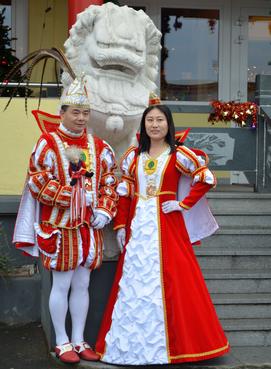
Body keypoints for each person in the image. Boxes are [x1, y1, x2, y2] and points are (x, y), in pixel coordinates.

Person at [96, 102, 230, 365]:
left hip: (167, 224)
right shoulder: (133, 157)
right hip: (139, 226)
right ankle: (134, 347)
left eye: (159, 120)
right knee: (135, 281)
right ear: (143, 125)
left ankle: (179, 347)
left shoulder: (178, 154)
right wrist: (122, 226)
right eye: (150, 121)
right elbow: (124, 196)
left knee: (174, 280)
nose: (154, 125)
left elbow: (206, 178)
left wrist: (183, 203)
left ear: (168, 124)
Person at [13, 77, 118, 364]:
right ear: (62, 113)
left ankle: (79, 339)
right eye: (75, 112)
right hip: (59, 229)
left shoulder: (99, 146)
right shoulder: (47, 143)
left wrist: (105, 209)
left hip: (88, 229)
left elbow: (110, 181)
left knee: (82, 284)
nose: (81, 118)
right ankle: (61, 341)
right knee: (61, 285)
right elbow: (37, 182)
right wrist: (70, 197)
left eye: (85, 113)